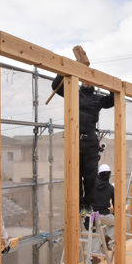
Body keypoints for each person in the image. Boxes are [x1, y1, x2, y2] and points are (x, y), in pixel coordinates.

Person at [52, 74, 114, 212]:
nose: (87, 83)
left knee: (90, 176)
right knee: (75, 174)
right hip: (74, 139)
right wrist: (64, 71)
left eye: (90, 81)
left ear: (93, 85)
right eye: (85, 80)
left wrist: (107, 82)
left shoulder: (98, 99)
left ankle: (88, 204)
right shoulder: (73, 94)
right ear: (80, 82)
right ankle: (78, 203)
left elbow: (113, 100)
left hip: (90, 140)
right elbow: (55, 86)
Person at [92, 164, 115, 254]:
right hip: (104, 214)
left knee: (95, 234)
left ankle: (95, 256)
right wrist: (115, 214)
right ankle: (106, 239)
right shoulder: (110, 188)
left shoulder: (92, 185)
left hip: (93, 215)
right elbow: (115, 203)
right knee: (116, 223)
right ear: (109, 175)